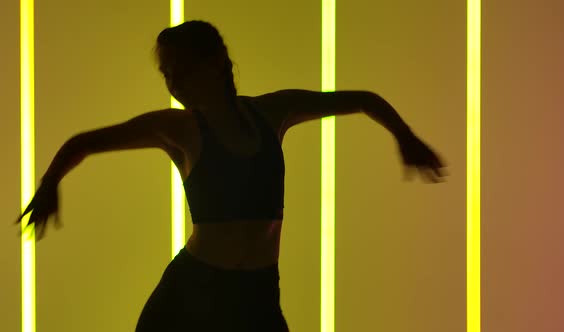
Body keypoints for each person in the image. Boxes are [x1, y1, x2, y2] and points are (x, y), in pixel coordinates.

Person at [15, 20, 448, 332]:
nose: (173, 81)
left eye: (180, 68)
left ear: (216, 61)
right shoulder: (179, 128)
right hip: (192, 291)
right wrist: (48, 185)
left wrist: (405, 138)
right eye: (166, 73)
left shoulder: (272, 113)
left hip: (257, 295)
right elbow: (83, 144)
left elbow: (362, 99)